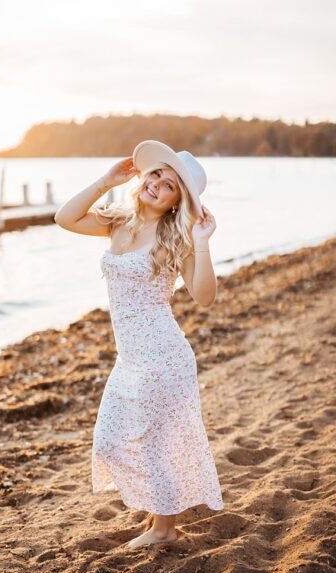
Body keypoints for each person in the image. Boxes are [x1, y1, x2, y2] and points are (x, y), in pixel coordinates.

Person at [54, 140, 223, 547]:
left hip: (163, 356)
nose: (157, 184)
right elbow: (64, 217)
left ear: (175, 203)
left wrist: (202, 240)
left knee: (157, 440)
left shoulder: (174, 237)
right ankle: (158, 521)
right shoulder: (118, 221)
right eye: (156, 174)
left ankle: (164, 529)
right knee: (116, 437)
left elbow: (204, 296)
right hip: (130, 357)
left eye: (169, 185)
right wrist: (105, 181)